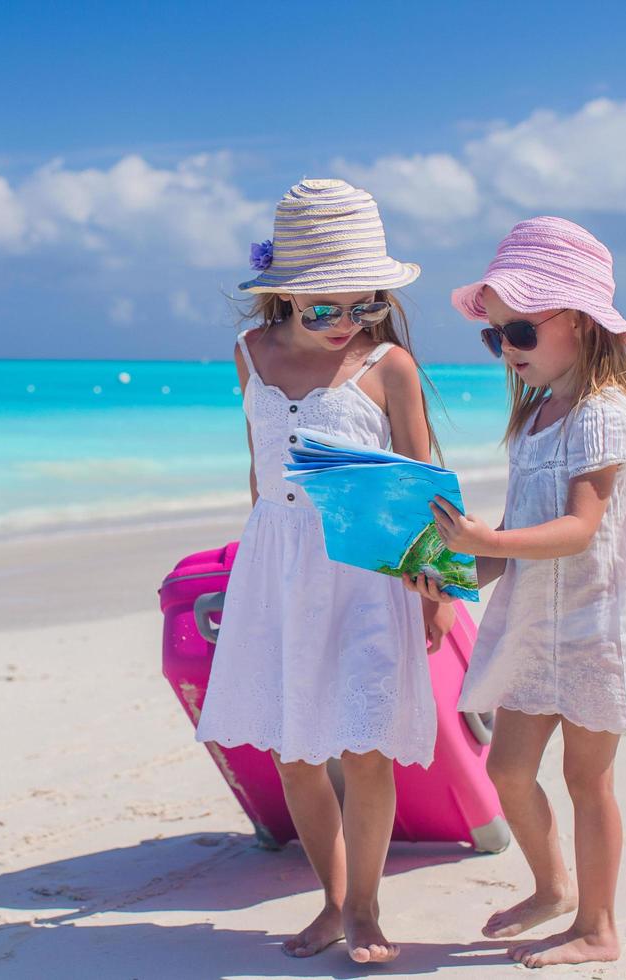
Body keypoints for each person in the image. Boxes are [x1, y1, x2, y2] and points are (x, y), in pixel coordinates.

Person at [405, 216, 626, 968]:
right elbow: (522, 537)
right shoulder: (538, 420)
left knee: (587, 779)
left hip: (593, 629)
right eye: (495, 338)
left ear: (582, 324)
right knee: (506, 771)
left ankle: (598, 925)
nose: (507, 351)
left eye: (520, 331)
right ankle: (553, 887)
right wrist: (454, 575)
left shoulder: (603, 416)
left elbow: (578, 528)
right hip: (535, 627)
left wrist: (487, 542)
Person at [195, 178, 452, 964]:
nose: (345, 324)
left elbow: (423, 483)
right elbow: (258, 472)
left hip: (365, 573)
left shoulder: (389, 365)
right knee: (294, 751)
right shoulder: (248, 354)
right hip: (276, 567)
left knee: (366, 747)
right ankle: (333, 901)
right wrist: (251, 567)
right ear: (284, 299)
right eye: (323, 309)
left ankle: (369, 910)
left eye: (361, 307)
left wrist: (434, 588)